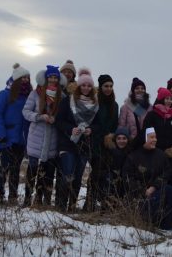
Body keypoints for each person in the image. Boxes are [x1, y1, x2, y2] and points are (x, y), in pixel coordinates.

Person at [55, 68, 101, 211]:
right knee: (67, 174)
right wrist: (70, 129)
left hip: (84, 145)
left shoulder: (95, 104)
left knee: (78, 176)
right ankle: (61, 205)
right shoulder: (67, 101)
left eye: (89, 85)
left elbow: (99, 125)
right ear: (78, 86)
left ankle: (72, 205)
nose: (86, 88)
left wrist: (91, 129)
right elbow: (59, 121)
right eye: (83, 85)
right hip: (68, 144)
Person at [123, 127, 172, 230]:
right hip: (139, 195)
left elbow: (167, 171)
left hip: (156, 190)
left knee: (171, 191)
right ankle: (148, 220)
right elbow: (128, 177)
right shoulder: (133, 156)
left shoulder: (160, 154)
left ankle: (167, 224)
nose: (155, 140)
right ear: (144, 139)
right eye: (151, 137)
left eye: (155, 137)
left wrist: (154, 186)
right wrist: (143, 190)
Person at [23, 66, 62, 207]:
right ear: (45, 78)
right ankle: (27, 198)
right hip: (36, 137)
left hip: (52, 138)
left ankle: (40, 199)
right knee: (32, 168)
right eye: (50, 77)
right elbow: (26, 112)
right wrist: (39, 116)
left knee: (46, 170)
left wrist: (55, 119)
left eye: (55, 77)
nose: (53, 79)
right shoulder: (35, 94)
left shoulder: (61, 96)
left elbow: (63, 116)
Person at [0, 63, 32, 205]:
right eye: (23, 78)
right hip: (7, 137)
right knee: (4, 167)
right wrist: (1, 133)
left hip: (21, 139)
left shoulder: (29, 97)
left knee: (16, 169)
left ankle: (13, 197)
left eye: (27, 78)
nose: (26, 81)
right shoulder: (5, 94)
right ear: (16, 79)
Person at [85, 73, 118, 212]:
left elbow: (115, 122)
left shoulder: (114, 105)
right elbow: (91, 121)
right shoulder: (94, 102)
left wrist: (112, 135)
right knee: (96, 172)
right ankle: (90, 202)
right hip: (95, 141)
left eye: (110, 86)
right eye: (106, 86)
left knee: (106, 173)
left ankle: (105, 202)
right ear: (100, 86)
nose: (108, 88)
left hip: (108, 143)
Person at [118, 77, 151, 141]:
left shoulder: (149, 107)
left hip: (145, 142)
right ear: (133, 91)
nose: (140, 90)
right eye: (137, 88)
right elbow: (121, 126)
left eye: (142, 88)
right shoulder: (125, 107)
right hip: (131, 142)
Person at [105, 126, 130, 205]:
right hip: (111, 180)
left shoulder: (130, 153)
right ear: (115, 140)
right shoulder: (109, 152)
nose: (121, 141)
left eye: (124, 138)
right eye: (119, 138)